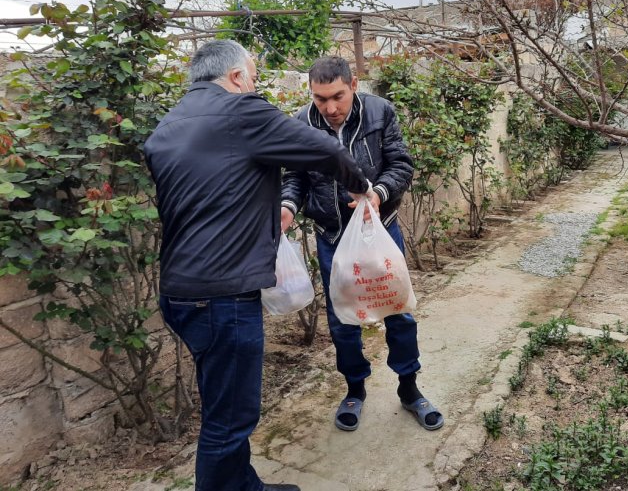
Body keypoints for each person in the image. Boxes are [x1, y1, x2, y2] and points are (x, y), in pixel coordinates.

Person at [144, 40, 370, 491]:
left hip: (181, 293)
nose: (252, 84)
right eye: (250, 75)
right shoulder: (240, 111)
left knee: (223, 403)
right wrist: (362, 186)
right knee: (229, 419)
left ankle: (244, 484)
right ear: (233, 77)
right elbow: (325, 151)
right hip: (222, 296)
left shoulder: (171, 124)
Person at [280, 56, 444, 432]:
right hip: (333, 237)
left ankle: (409, 388)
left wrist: (378, 194)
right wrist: (288, 205)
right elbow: (296, 177)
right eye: (321, 99)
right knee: (343, 318)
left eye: (337, 96)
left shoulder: (379, 112)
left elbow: (401, 164)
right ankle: (354, 389)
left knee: (398, 311)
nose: (331, 108)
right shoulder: (302, 123)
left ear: (353, 84)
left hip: (380, 230)